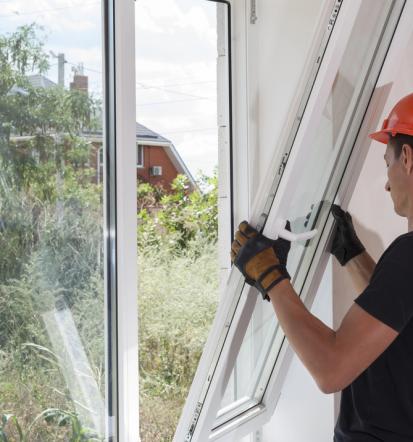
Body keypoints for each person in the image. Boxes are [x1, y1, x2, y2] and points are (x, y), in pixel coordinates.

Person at [231, 93, 413, 441]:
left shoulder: (408, 256)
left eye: (387, 162)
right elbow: (398, 319)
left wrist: (270, 276)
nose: (388, 182)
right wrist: (353, 255)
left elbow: (331, 368)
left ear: (406, 158)